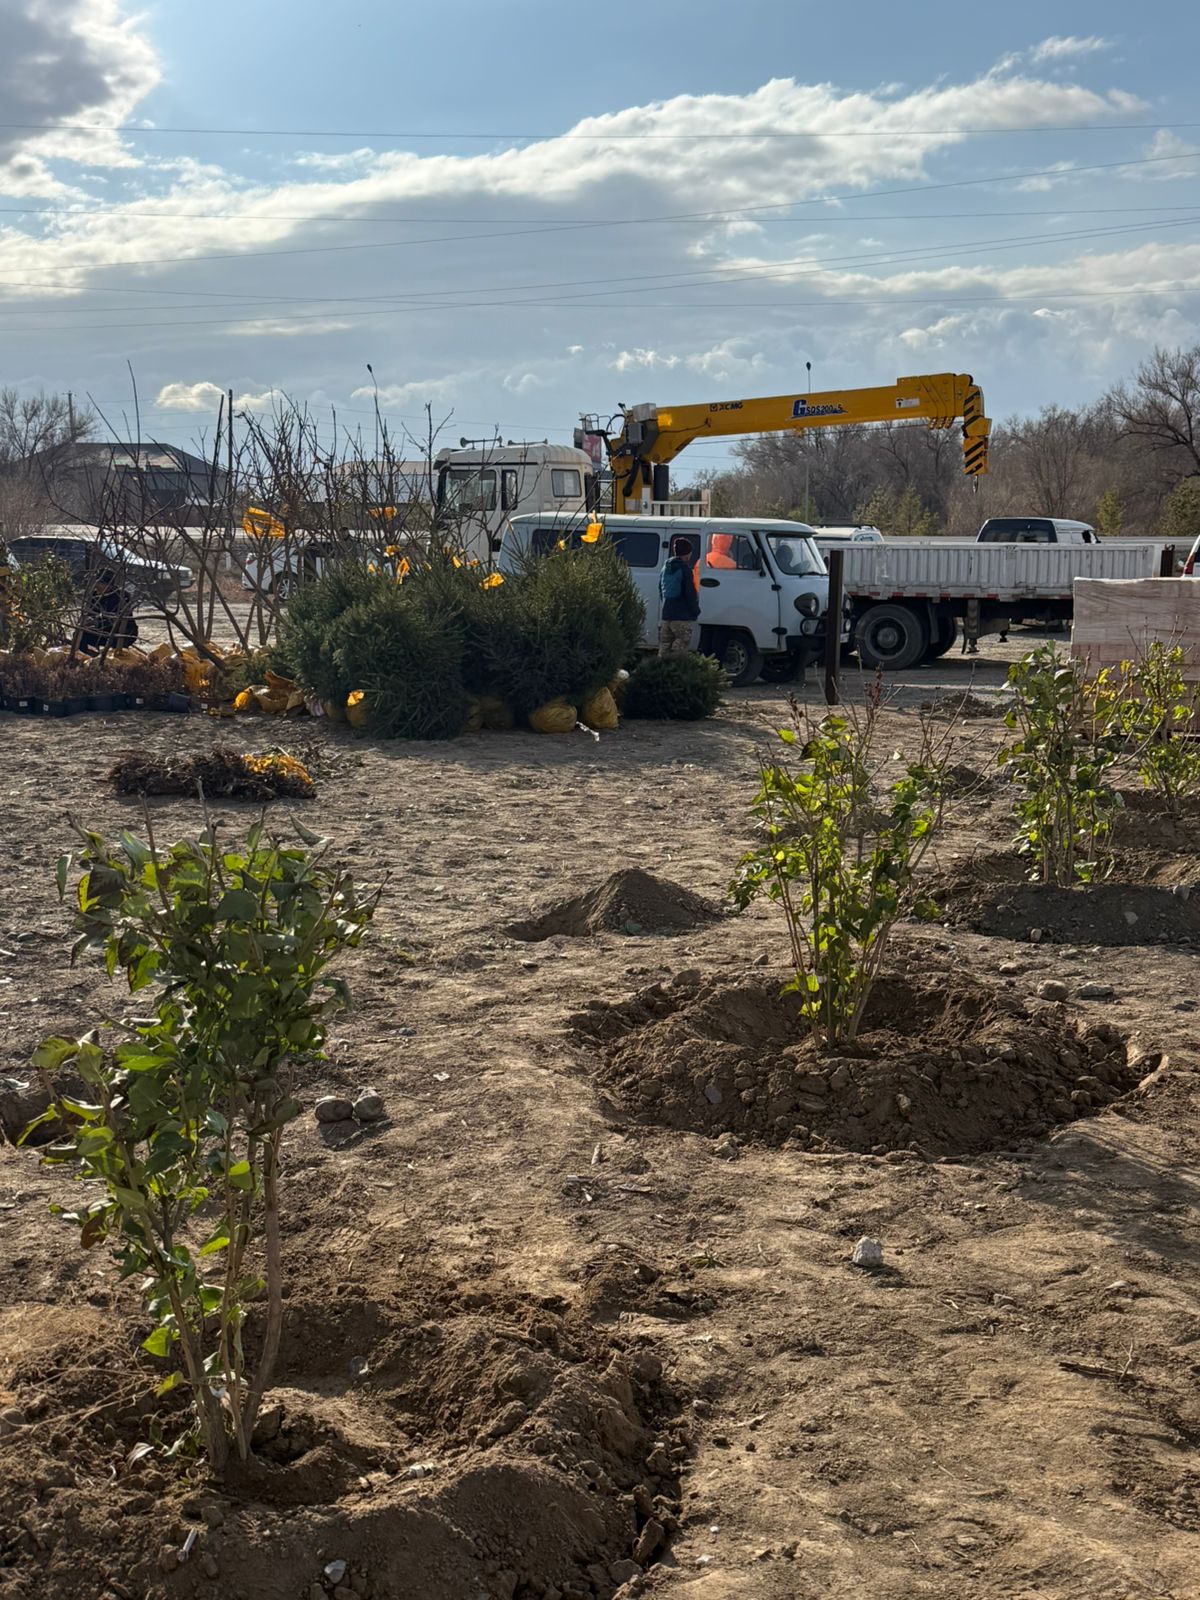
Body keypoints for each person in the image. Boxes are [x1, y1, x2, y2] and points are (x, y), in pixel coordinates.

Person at [658, 535, 700, 654]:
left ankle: (660, 670)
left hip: (666, 614)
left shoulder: (665, 568)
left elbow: (660, 590)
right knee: (681, 645)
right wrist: (695, 611)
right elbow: (689, 593)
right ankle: (676, 670)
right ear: (687, 554)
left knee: (664, 647)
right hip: (680, 615)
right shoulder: (685, 570)